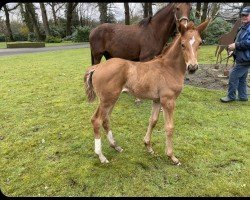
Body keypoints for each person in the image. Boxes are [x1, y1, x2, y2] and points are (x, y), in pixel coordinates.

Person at [220, 6, 250, 103]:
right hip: (242, 57)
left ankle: (231, 96)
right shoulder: (243, 27)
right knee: (242, 78)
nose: (244, 17)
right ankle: (243, 96)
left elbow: (248, 43)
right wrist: (234, 51)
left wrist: (236, 45)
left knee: (233, 75)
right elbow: (241, 41)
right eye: (242, 15)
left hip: (245, 59)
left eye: (246, 15)